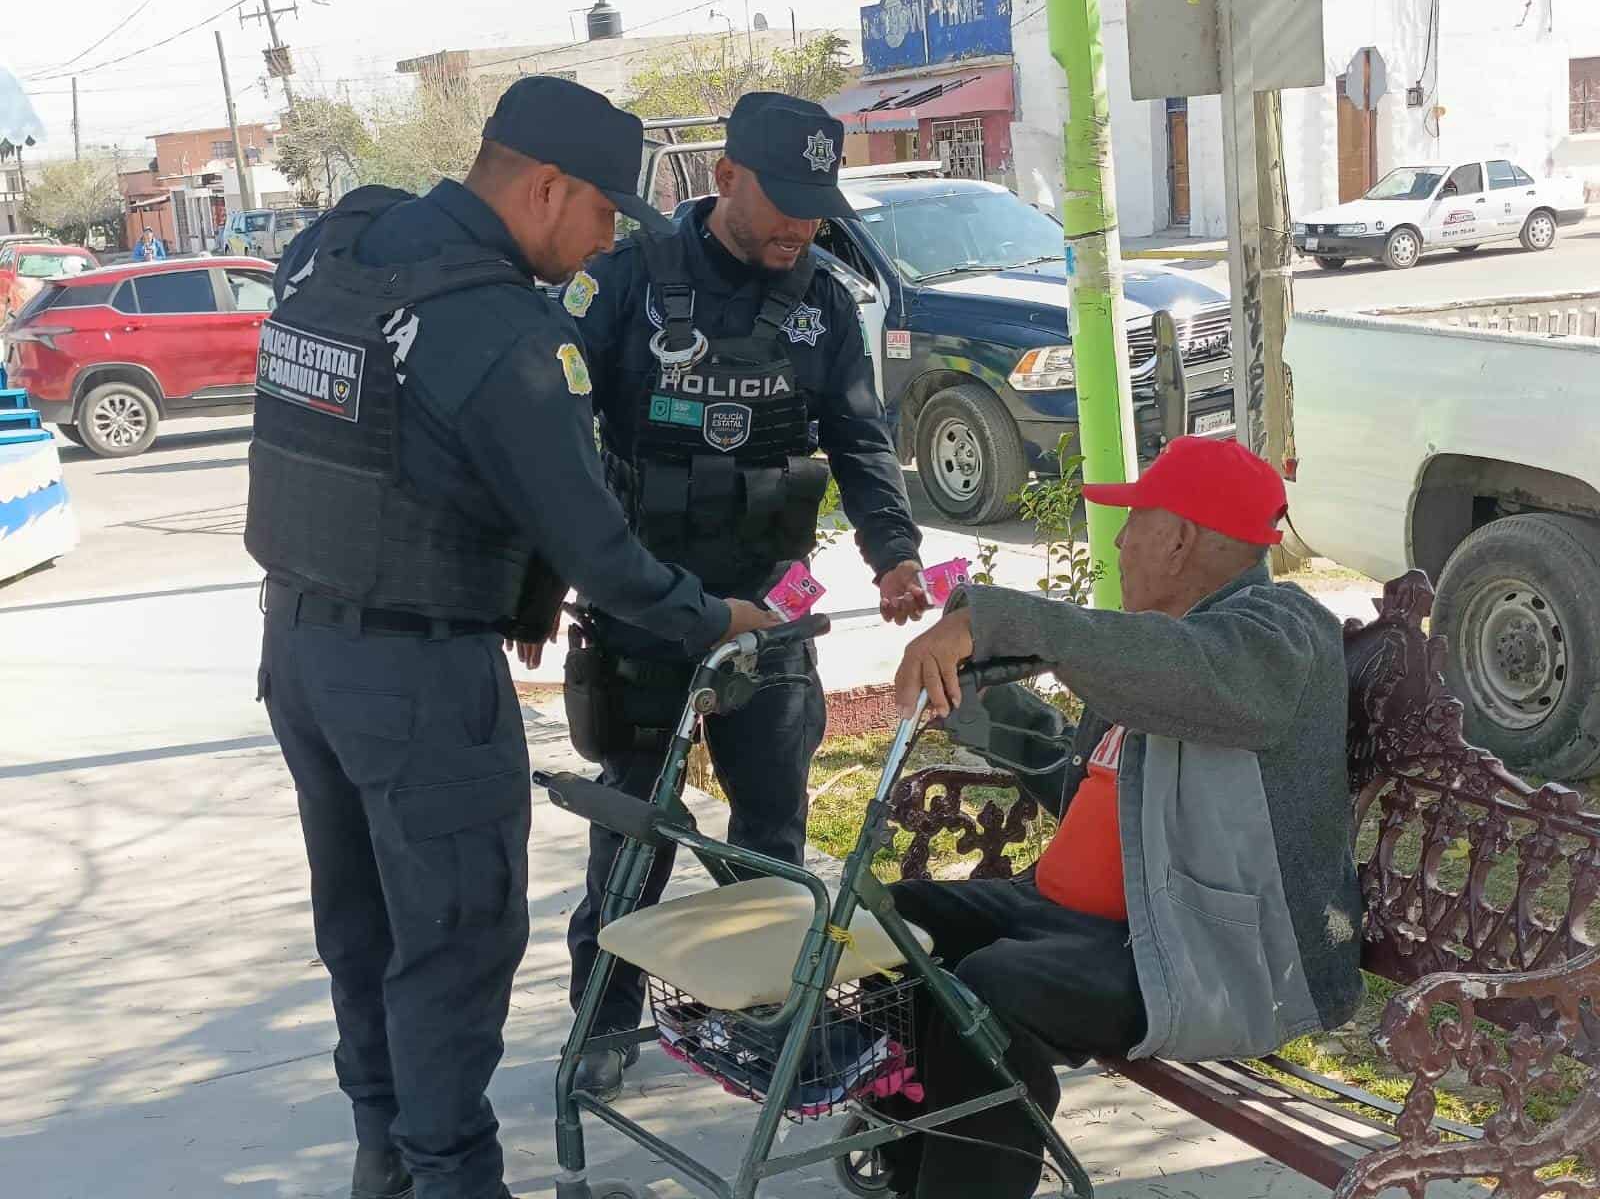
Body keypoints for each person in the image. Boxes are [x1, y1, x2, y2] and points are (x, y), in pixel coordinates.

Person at [247, 77, 777, 1199]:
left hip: (300, 647)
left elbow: (410, 453)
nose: (597, 250)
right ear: (546, 187)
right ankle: (451, 1179)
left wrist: (519, 598)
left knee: (363, 925)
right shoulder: (496, 324)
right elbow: (601, 550)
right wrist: (710, 618)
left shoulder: (344, 246)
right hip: (417, 680)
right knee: (453, 937)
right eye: (598, 217)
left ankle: (384, 1155)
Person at [557, 91, 928, 1098]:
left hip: (770, 615)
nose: (799, 226)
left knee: (771, 835)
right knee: (634, 833)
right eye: (783, 201)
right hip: (646, 606)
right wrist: (536, 579)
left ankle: (767, 1018)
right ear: (724, 179)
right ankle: (602, 1024)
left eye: (816, 203)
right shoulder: (626, 286)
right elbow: (549, 440)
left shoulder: (825, 303)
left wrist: (894, 553)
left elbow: (859, 440)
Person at [882, 437, 1365, 1199]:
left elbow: (1196, 669)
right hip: (1066, 914)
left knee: (986, 985)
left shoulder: (1281, 632)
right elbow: (1089, 790)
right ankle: (920, 1168)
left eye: (1133, 520)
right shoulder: (1157, 645)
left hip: (1200, 954)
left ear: (1178, 540)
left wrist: (1002, 620)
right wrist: (983, 701)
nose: (1117, 539)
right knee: (887, 924)